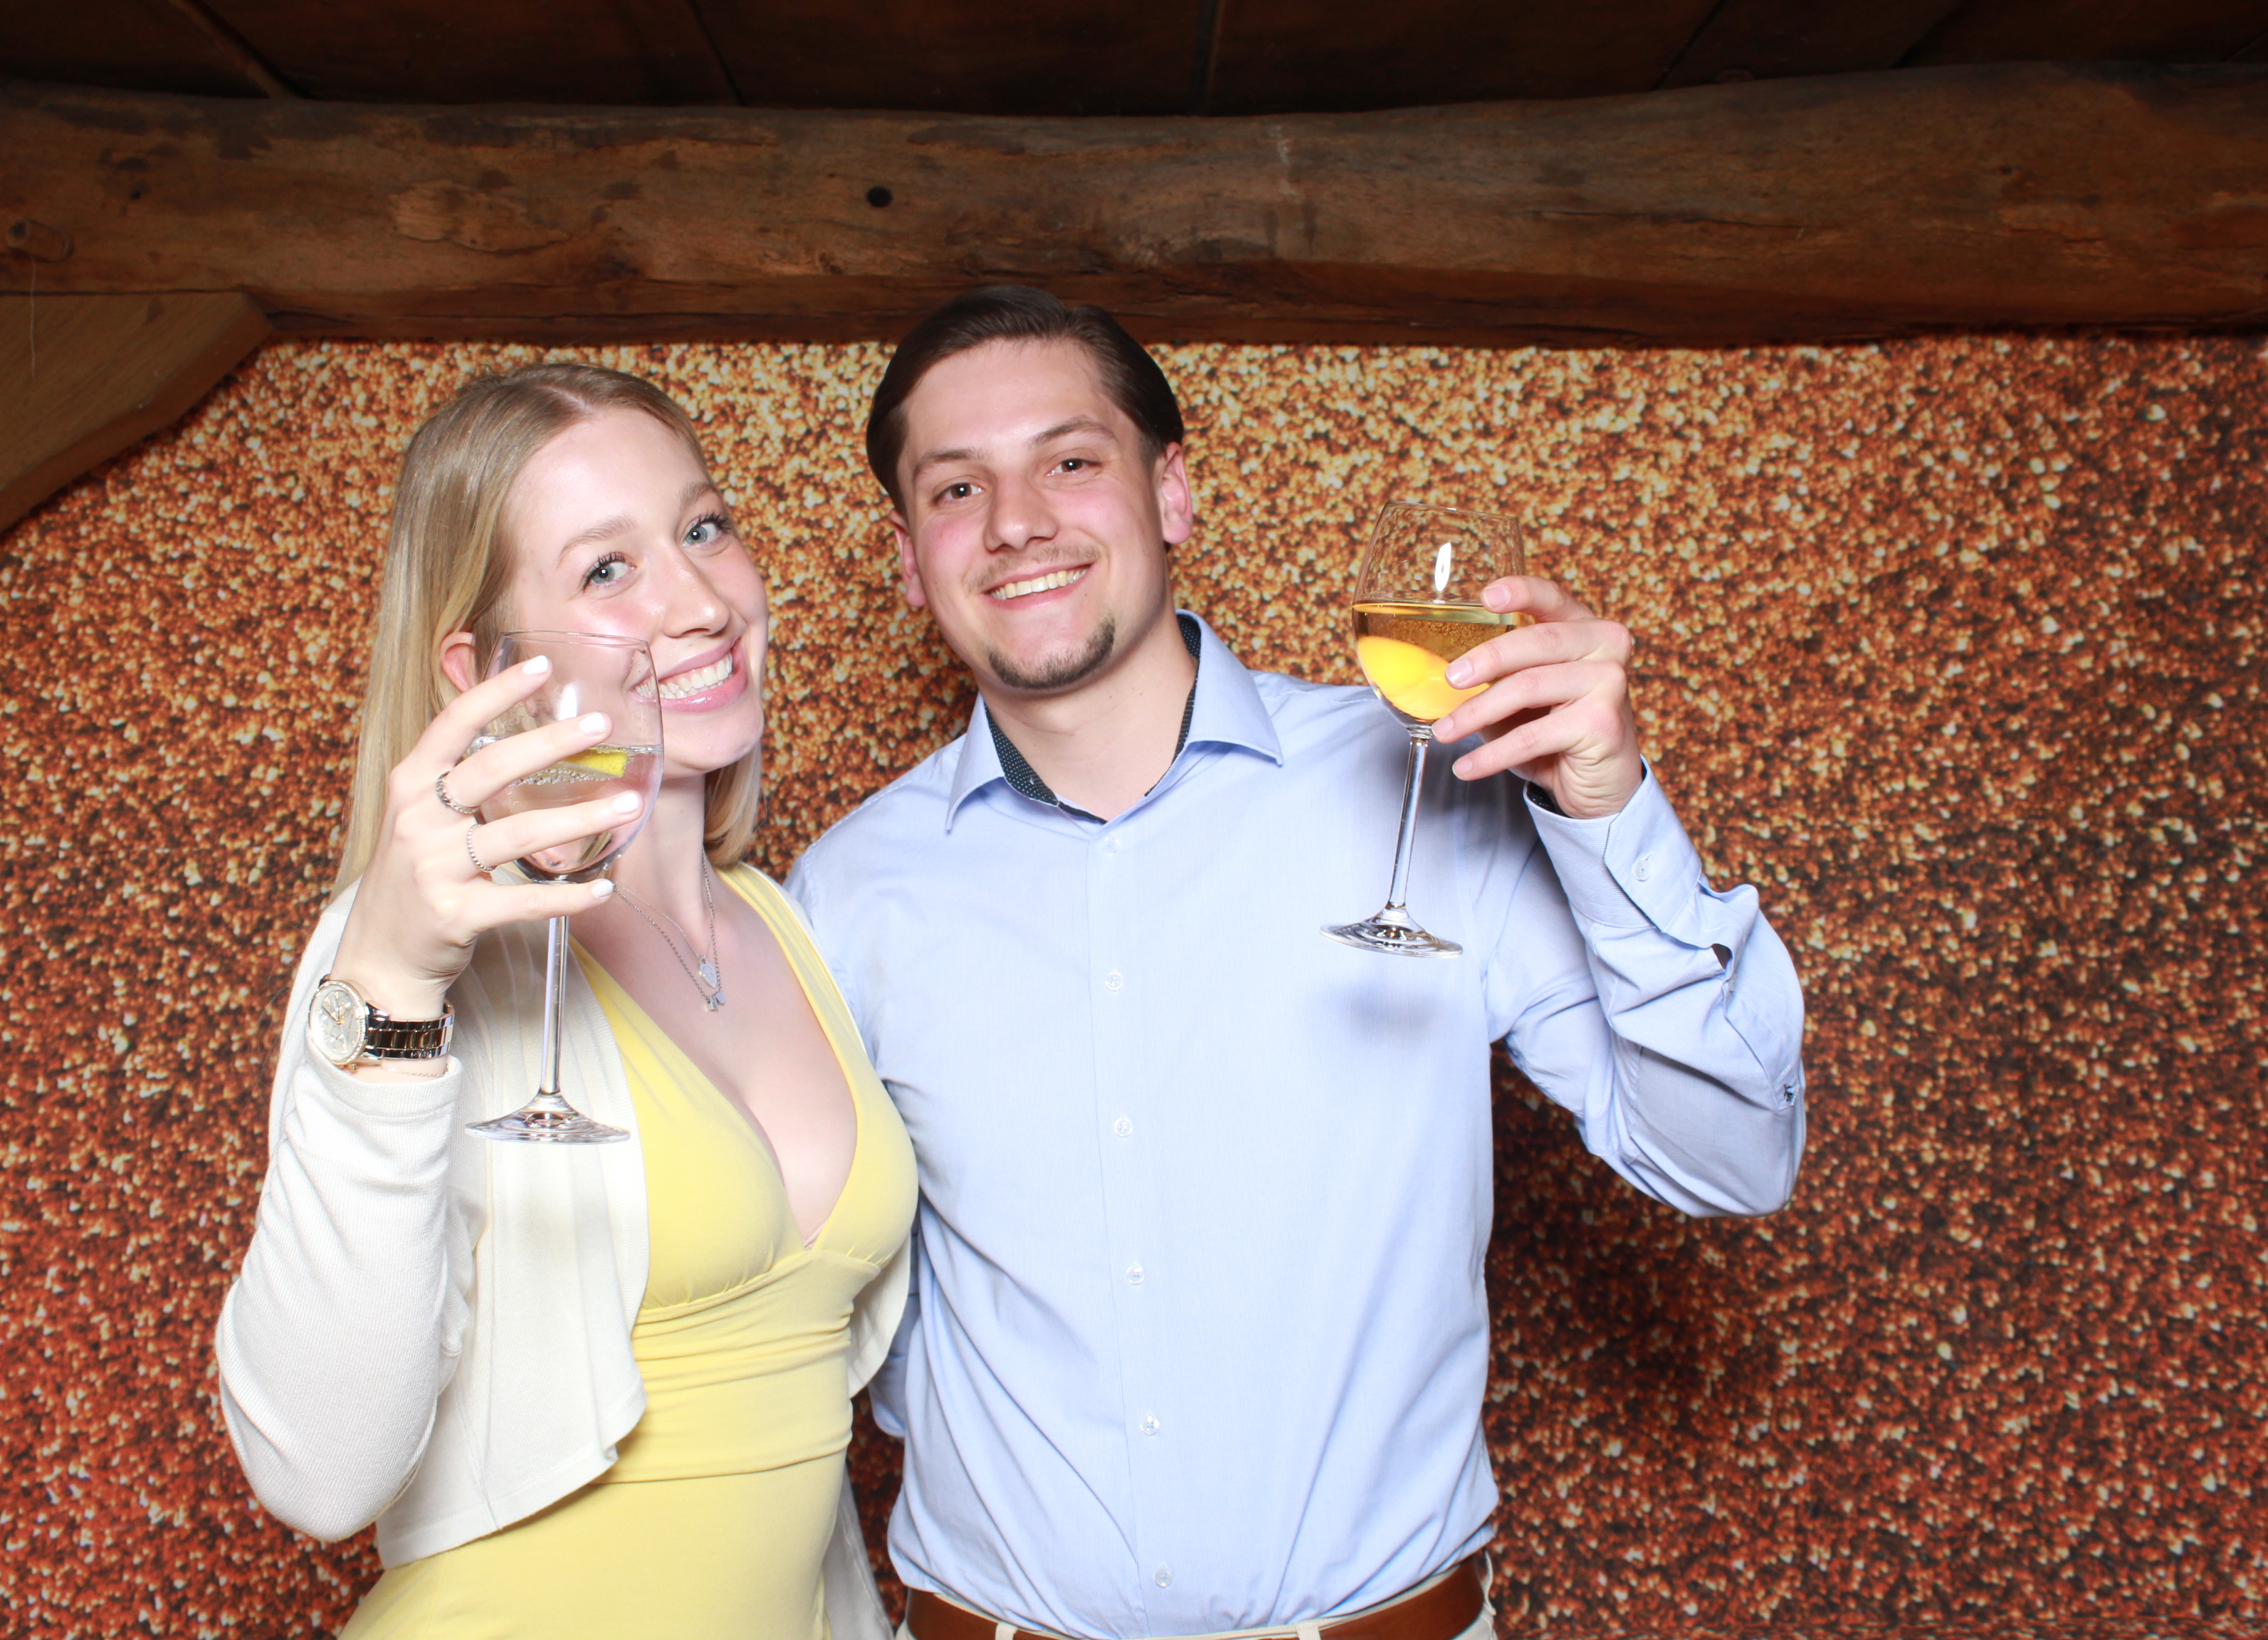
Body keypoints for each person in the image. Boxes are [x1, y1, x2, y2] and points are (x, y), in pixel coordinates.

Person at [786, 288, 1808, 1640]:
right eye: (957, 488)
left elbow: (1732, 1160)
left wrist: (1611, 813)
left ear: (1172, 494)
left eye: (1070, 461)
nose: (1017, 521)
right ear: (912, 559)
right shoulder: (845, 892)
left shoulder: (1433, 788)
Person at [215, 363, 913, 1639]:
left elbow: (791, 1451)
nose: (703, 603)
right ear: (485, 667)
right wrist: (389, 990)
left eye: (704, 528)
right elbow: (317, 1477)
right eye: (607, 570)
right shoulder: (418, 958)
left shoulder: (782, 921)